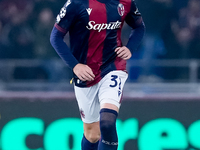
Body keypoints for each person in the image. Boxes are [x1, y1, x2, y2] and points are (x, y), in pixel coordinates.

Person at [50, 0, 145, 149]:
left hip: (113, 67)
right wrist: (75, 66)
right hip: (86, 73)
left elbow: (139, 27)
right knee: (92, 135)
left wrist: (130, 47)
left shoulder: (125, 2)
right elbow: (55, 37)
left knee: (107, 123)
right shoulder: (76, 4)